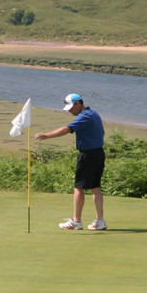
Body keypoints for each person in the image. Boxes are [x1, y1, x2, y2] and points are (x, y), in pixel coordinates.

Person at [35, 93, 107, 231]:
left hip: (88, 155)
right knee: (95, 188)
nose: (69, 110)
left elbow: (67, 129)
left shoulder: (84, 116)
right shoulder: (94, 113)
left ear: (78, 104)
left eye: (70, 107)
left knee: (78, 188)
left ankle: (76, 221)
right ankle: (100, 221)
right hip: (99, 153)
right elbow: (102, 133)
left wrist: (46, 135)